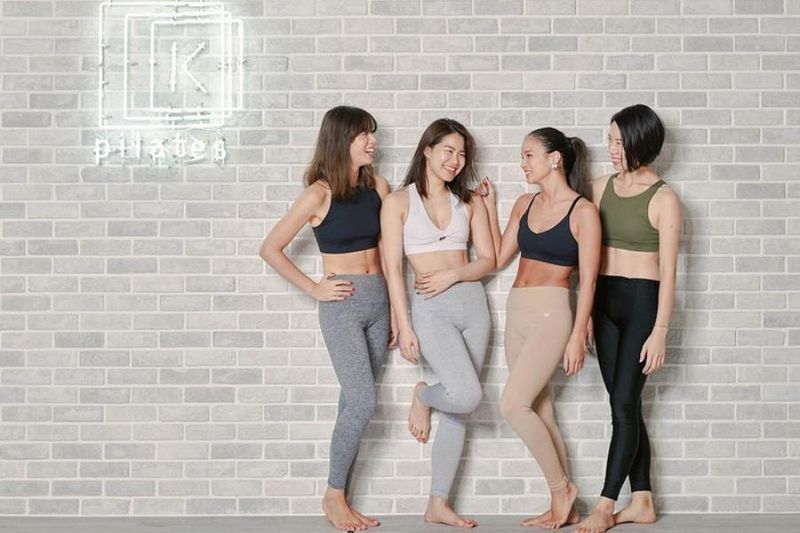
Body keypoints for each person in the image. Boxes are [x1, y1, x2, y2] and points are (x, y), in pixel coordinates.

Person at [259, 105, 394, 532]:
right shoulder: (318, 194)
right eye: (363, 135)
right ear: (341, 140)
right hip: (342, 306)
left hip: (379, 303)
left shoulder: (380, 187)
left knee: (352, 403)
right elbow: (270, 248)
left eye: (372, 133)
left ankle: (341, 497)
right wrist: (313, 287)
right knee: (363, 402)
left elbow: (390, 254)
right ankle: (333, 496)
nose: (372, 142)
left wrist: (396, 312)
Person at [478, 127, 601, 530]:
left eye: (528, 155)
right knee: (541, 409)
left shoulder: (583, 212)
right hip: (517, 309)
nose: (522, 164)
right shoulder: (524, 204)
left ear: (554, 159)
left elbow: (590, 281)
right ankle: (564, 506)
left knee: (513, 405)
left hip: (552, 312)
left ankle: (562, 489)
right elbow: (499, 257)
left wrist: (578, 333)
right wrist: (488, 207)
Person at [381, 118, 495, 528]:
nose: (456, 160)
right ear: (427, 150)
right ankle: (424, 395)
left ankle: (438, 503)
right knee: (466, 395)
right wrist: (403, 323)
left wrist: (453, 274)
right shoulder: (398, 202)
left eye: (462, 154)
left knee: (460, 410)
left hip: (473, 307)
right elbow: (393, 269)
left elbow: (488, 259)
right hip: (430, 309)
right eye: (448, 150)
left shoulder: (469, 201)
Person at [575, 104, 680, 533]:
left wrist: (660, 331)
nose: (611, 149)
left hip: (642, 305)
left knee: (622, 406)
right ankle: (643, 500)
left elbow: (670, 271)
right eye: (610, 140)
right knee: (626, 405)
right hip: (605, 303)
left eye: (619, 142)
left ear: (640, 143)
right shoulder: (601, 187)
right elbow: (587, 255)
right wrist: (584, 313)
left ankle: (604, 505)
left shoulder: (665, 199)